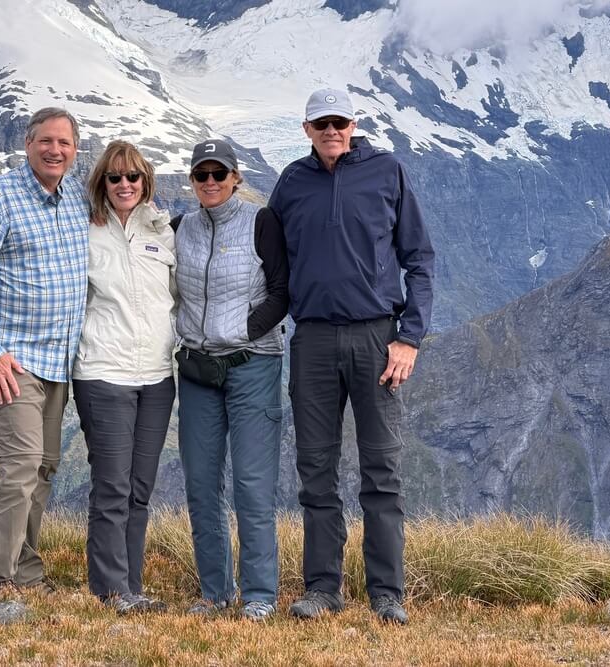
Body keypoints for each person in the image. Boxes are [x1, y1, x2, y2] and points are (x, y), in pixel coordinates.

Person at [269, 87, 435, 624]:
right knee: (315, 470)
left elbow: (419, 259)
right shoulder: (291, 182)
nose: (331, 131)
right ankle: (323, 589)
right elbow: (271, 262)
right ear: (306, 129)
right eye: (321, 124)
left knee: (381, 471)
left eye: (339, 122)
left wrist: (409, 338)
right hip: (313, 339)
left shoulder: (387, 172)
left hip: (377, 339)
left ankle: (388, 594)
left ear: (353, 124)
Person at [0, 107, 89, 596]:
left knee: (43, 468)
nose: (55, 150)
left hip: (58, 363)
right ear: (28, 144)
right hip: (11, 361)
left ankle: (26, 573)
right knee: (20, 466)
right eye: (45, 141)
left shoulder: (76, 196)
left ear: (75, 150)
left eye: (64, 143)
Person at [174, 139, 289, 621]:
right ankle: (215, 592)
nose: (210, 182)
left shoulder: (261, 222)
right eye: (202, 174)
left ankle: (259, 595)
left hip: (252, 363)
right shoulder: (180, 228)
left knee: (251, 484)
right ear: (192, 181)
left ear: (235, 178)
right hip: (198, 369)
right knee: (201, 483)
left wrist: (243, 330)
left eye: (219, 173)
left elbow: (282, 291)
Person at [72, 140, 177, 615]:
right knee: (112, 487)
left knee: (139, 490)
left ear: (145, 181)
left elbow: (178, 297)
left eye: (133, 176)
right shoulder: (83, 231)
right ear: (102, 182)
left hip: (156, 376)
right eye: (114, 177)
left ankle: (131, 588)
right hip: (103, 372)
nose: (124, 184)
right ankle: (111, 592)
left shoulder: (162, 232)